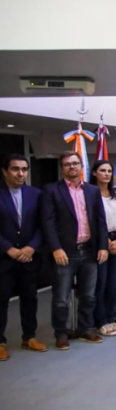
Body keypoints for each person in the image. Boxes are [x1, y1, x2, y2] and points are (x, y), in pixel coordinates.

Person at [42, 151, 109, 349]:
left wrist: (103, 247)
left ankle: (85, 328)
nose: (72, 167)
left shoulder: (92, 191)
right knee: (61, 298)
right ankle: (61, 333)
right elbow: (48, 223)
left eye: (75, 163)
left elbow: (101, 221)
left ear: (81, 166)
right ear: (62, 168)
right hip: (65, 253)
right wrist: (56, 248)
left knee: (88, 295)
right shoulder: (51, 191)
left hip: (89, 251)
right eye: (67, 164)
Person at [0, 154, 47, 360]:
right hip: (4, 258)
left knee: (30, 298)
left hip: (29, 257)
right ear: (5, 171)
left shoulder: (36, 194)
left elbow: (43, 225)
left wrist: (32, 247)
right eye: (15, 169)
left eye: (24, 169)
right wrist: (8, 249)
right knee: (1, 299)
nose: (21, 173)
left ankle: (29, 337)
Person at [90, 161, 116, 336]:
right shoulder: (90, 194)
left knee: (114, 283)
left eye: (109, 171)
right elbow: (92, 220)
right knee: (101, 282)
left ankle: (111, 317)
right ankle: (100, 321)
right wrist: (105, 242)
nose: (106, 174)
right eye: (102, 170)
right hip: (99, 241)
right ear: (94, 173)